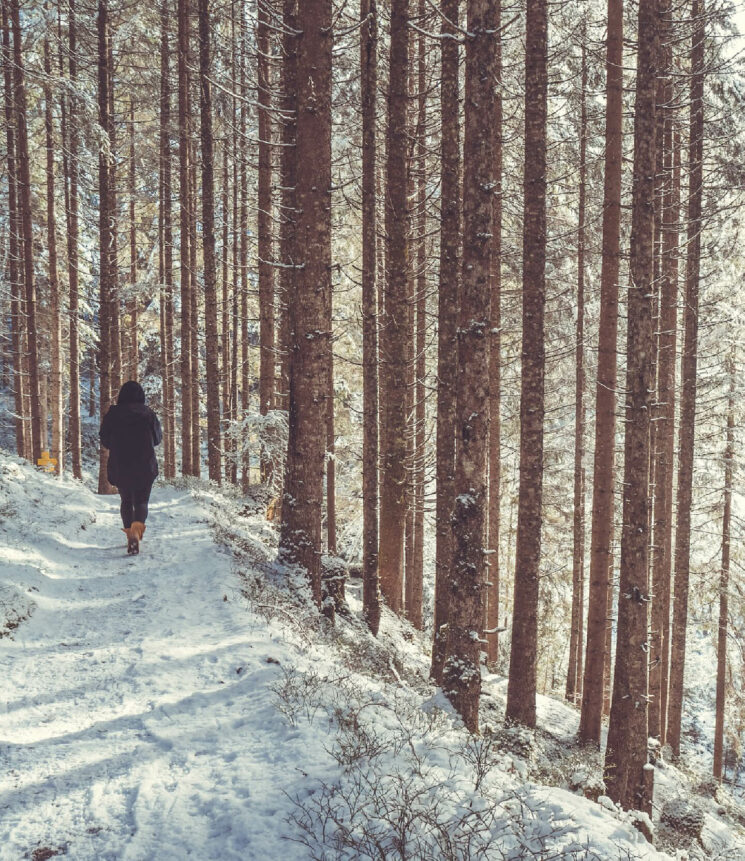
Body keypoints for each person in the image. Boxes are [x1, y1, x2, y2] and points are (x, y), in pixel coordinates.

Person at [99, 381, 163, 555]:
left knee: (126, 501)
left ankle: (129, 533)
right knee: (142, 501)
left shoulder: (113, 414)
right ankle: (136, 530)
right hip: (145, 464)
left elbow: (104, 439)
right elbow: (158, 439)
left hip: (121, 465)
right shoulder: (148, 414)